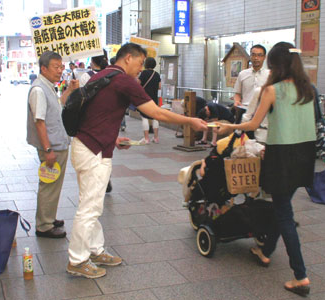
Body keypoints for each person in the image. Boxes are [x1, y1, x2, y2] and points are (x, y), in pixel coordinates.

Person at [66, 43, 207, 279]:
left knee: (91, 204)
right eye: (140, 63)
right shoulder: (123, 80)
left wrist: (113, 137)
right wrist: (190, 121)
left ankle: (94, 250)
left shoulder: (102, 75)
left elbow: (96, 114)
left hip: (87, 144)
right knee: (89, 207)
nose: (141, 69)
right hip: (93, 150)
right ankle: (78, 260)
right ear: (128, 58)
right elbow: (157, 113)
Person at [218, 42, 315, 296]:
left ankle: (301, 276)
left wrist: (229, 128)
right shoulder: (309, 90)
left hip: (281, 157)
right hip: (305, 156)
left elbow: (252, 124)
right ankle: (265, 250)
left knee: (284, 215)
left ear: (276, 64)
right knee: (280, 206)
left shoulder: (272, 90)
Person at [27, 51, 79, 239]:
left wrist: (70, 90)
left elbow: (58, 106)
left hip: (57, 143)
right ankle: (44, 226)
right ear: (44, 68)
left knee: (54, 183)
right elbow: (39, 122)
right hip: (52, 147)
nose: (60, 71)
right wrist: (48, 150)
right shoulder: (39, 90)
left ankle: (48, 217)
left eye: (61, 67)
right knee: (49, 183)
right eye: (56, 67)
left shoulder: (48, 86)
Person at [79, 50, 113, 193]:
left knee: (93, 150)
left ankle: (98, 179)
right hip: (109, 118)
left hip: (91, 119)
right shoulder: (112, 74)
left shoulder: (86, 76)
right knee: (106, 150)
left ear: (92, 61)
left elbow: (81, 97)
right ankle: (106, 177)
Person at [138, 57, 161, 144]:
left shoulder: (144, 73)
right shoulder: (157, 74)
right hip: (154, 99)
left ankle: (146, 138)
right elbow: (159, 87)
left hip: (144, 99)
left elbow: (138, 84)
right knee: (155, 117)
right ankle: (156, 138)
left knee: (144, 117)